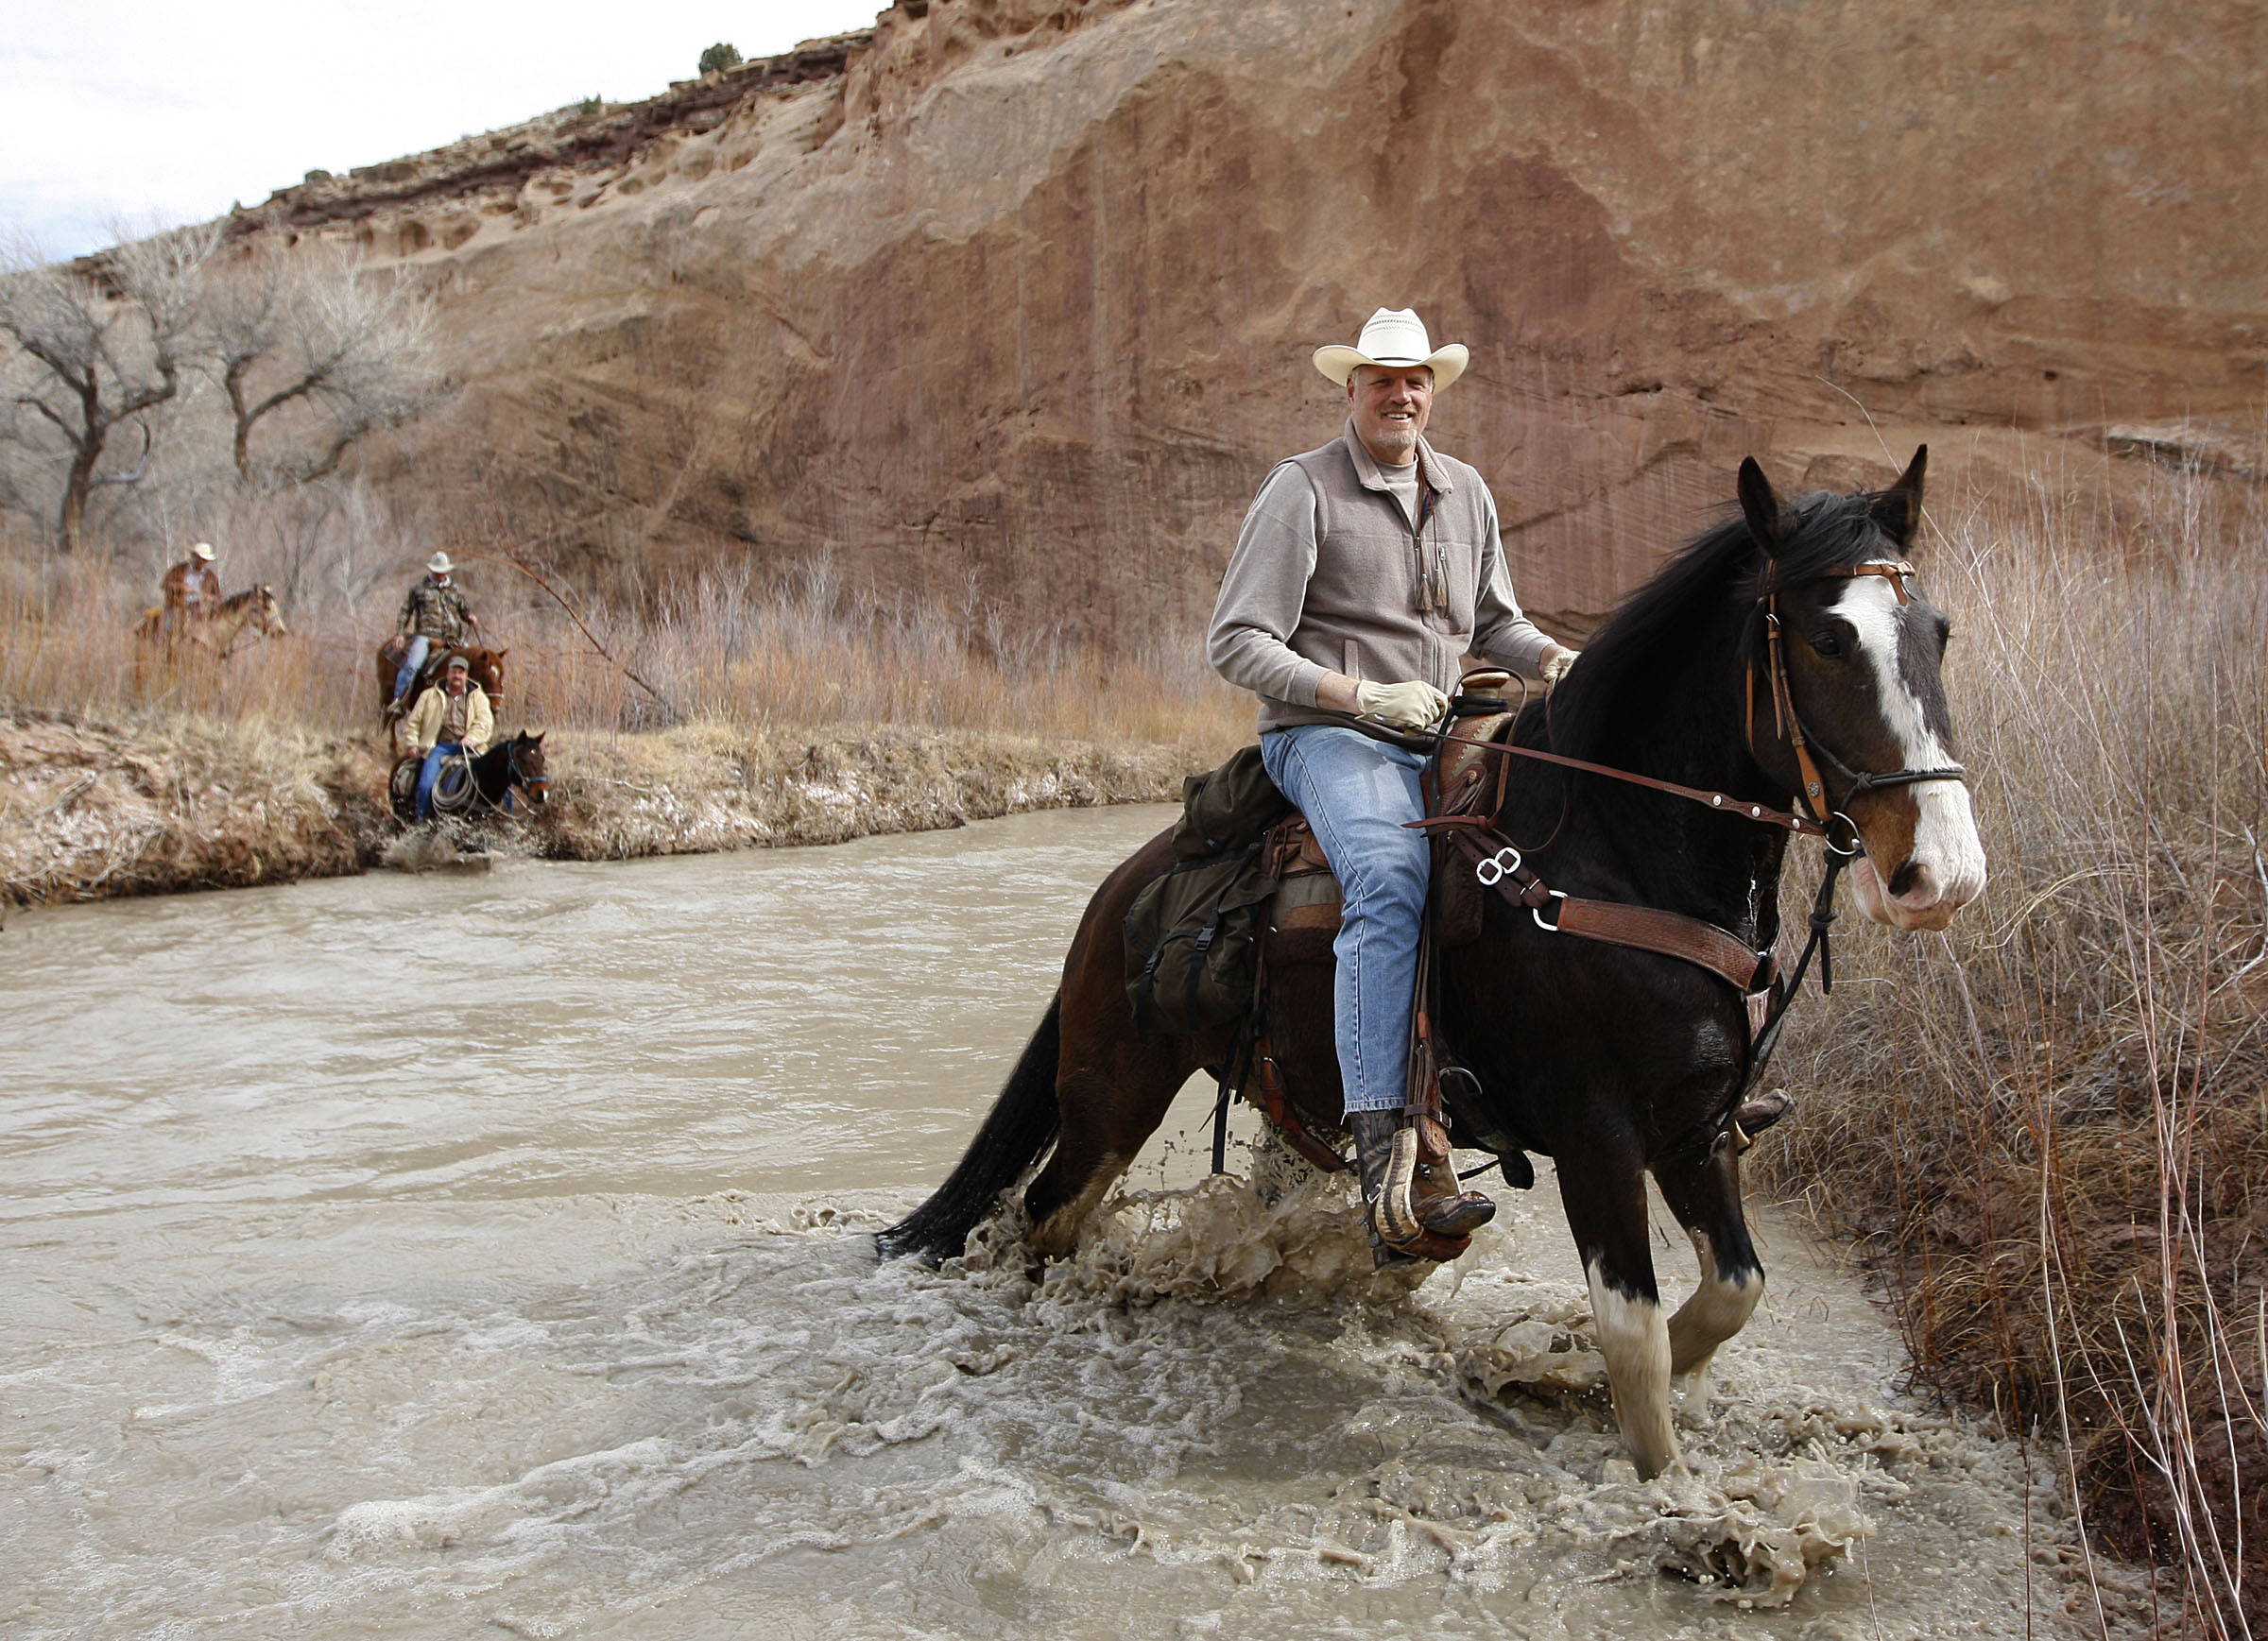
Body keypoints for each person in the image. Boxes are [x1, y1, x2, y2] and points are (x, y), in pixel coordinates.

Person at [1207, 306, 1581, 1264]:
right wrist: (1360, 695)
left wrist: (1560, 660)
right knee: (1387, 876)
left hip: (1444, 729)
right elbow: (1237, 643)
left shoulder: (1466, 493)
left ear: (1432, 390)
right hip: (1328, 735)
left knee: (1549, 846)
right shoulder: (1302, 491)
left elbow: (1496, 626)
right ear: (1352, 389)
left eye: (1415, 379)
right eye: (1382, 379)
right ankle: (1383, 1143)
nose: (1401, 394)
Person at [403, 653, 494, 821]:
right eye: (454, 671)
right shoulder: (429, 695)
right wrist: (412, 744)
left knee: (499, 781)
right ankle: (421, 822)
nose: (457, 676)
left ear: (466, 675)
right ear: (448, 673)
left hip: (470, 747)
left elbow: (485, 723)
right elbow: (413, 722)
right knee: (425, 786)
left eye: (461, 672)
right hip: (440, 748)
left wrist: (472, 737)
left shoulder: (478, 697)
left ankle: (503, 822)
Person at [390, 551, 482, 710]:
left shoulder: (454, 589)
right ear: (432, 571)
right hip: (427, 636)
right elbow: (406, 611)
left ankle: (477, 703)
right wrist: (399, 632)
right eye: (438, 572)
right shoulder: (419, 589)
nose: (441, 574)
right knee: (413, 665)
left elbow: (463, 609)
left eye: (443, 571)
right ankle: (399, 699)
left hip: (453, 637)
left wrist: (470, 617)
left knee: (476, 661)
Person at [159, 542, 221, 633]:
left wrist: (207, 597)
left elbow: (217, 597)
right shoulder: (179, 570)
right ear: (194, 556)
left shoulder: (210, 576)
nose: (202, 562)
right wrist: (181, 587)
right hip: (177, 607)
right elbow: (165, 585)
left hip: (199, 610)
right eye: (201, 559)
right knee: (168, 627)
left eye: (205, 560)